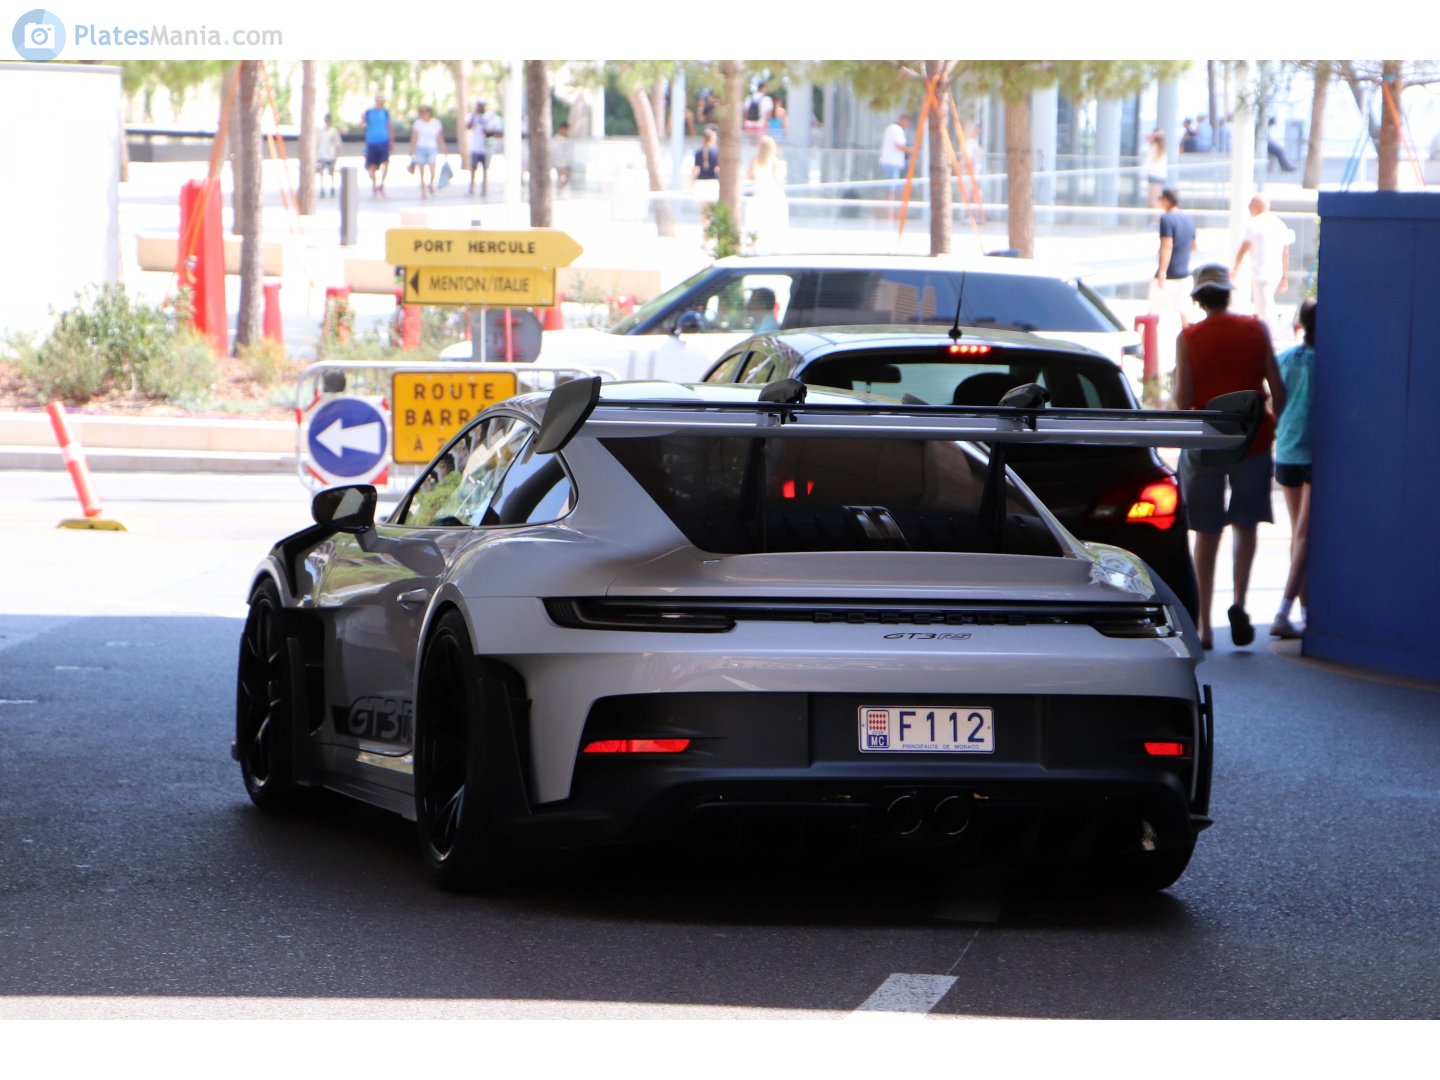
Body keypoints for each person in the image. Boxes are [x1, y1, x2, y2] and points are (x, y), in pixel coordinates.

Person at [1173, 265, 1287, 650]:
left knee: (1206, 532)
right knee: (1246, 523)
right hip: (1253, 439)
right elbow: (1278, 388)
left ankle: (1204, 625)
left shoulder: (1189, 337)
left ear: (1199, 298)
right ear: (1228, 294)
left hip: (1207, 442)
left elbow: (1182, 399)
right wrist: (1276, 428)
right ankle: (1238, 602)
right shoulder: (1256, 329)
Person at [1271, 298, 1316, 639]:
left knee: (1298, 535)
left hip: (1285, 453)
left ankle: (1305, 612)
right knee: (1305, 535)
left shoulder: (1285, 359)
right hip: (1314, 456)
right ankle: (1286, 612)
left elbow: (1273, 403)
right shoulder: (1327, 363)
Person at [1233, 192, 1296, 343]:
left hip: (1261, 273)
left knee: (1264, 309)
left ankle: (1269, 340)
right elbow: (1285, 252)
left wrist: (1235, 267)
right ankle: (1268, 337)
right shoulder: (1279, 224)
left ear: (1255, 207)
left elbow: (1244, 247)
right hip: (1276, 272)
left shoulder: (1254, 224)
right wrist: (1284, 276)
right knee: (1266, 305)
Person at [1153, 187, 1199, 336]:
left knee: (1152, 314)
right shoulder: (1189, 219)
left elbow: (1167, 245)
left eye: (1161, 199)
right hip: (1185, 274)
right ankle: (1191, 347)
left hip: (1169, 275)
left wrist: (1162, 271)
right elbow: (1194, 246)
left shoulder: (1166, 219)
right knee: (1185, 316)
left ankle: (1142, 347)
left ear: (1166, 200)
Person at [744, 135, 789, 254]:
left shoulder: (754, 160)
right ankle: (773, 246)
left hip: (759, 192)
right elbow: (777, 178)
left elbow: (749, 176)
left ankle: (754, 246)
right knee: (774, 220)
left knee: (757, 221)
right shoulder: (774, 161)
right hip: (772, 193)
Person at [409, 104, 445, 199]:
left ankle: (431, 184)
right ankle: (423, 191)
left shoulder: (436, 123)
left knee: (432, 170)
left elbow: (439, 137)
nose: (425, 113)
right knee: (421, 172)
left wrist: (443, 149)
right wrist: (411, 149)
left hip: (432, 148)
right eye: (423, 112)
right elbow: (414, 136)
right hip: (420, 147)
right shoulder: (418, 123)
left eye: (426, 111)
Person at [466, 100, 500, 197]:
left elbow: (498, 131)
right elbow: (468, 126)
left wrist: (488, 132)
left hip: (487, 147)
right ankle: (471, 187)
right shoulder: (473, 116)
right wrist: (474, 115)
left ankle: (484, 189)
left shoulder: (491, 117)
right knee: (473, 167)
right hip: (475, 147)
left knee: (485, 168)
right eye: (478, 105)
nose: (480, 107)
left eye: (482, 106)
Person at [690, 125, 720, 235]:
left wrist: (692, 183)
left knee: (705, 213)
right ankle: (708, 235)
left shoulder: (698, 152)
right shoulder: (716, 152)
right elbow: (718, 169)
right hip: (712, 184)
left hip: (701, 184)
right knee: (710, 212)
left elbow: (695, 170)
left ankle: (705, 236)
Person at [363, 93, 393, 196]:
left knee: (385, 162)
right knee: (372, 166)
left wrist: (391, 142)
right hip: (372, 142)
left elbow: (389, 127)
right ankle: (374, 185)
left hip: (383, 141)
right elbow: (362, 125)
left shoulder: (385, 113)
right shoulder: (369, 112)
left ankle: (382, 184)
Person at [879, 114, 912, 185]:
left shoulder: (891, 128)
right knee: (893, 186)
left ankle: (892, 196)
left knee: (891, 185)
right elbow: (899, 146)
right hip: (894, 162)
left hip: (889, 161)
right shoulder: (897, 129)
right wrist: (911, 151)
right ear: (903, 120)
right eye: (907, 123)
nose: (907, 125)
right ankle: (893, 196)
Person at [316, 113, 341, 198]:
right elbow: (317, 143)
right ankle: (322, 188)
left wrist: (336, 155)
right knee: (321, 172)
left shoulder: (333, 131)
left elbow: (337, 143)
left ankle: (332, 187)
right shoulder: (321, 131)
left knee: (331, 172)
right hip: (322, 155)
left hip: (331, 155)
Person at [1141, 129, 1167, 208]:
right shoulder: (1157, 148)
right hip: (1155, 176)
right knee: (1153, 200)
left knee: (1154, 201)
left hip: (1156, 176)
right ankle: (1157, 219)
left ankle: (1158, 220)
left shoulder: (1156, 148)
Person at [552, 121, 573, 191]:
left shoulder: (564, 139)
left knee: (564, 177)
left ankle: (559, 190)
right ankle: (558, 190)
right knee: (564, 176)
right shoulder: (557, 139)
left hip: (562, 163)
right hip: (559, 163)